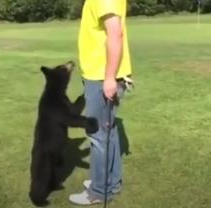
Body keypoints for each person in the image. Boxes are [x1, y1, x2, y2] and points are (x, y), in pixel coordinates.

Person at [69, 0, 132, 205]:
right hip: (99, 75)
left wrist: (109, 78)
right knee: (108, 133)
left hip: (101, 77)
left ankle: (99, 191)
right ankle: (110, 183)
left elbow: (115, 34)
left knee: (97, 135)